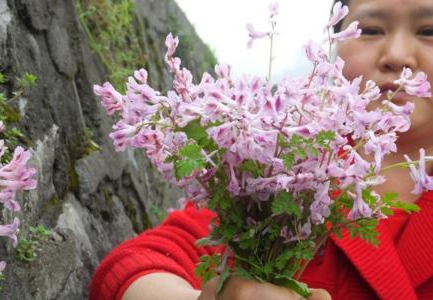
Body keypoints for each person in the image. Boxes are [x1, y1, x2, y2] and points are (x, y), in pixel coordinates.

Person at [90, 0, 433, 299]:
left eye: (429, 30)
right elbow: (136, 264)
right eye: (371, 29)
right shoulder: (283, 169)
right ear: (335, 45)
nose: (399, 56)